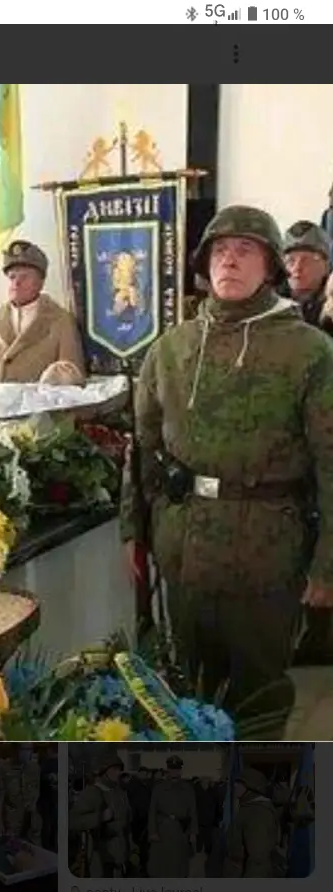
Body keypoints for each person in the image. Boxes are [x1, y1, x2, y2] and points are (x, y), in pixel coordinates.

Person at [120, 204, 333, 739]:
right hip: (184, 549)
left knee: (257, 699)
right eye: (219, 251)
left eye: (244, 250)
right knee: (190, 698)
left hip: (267, 553)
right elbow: (142, 449)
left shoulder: (310, 351)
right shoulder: (171, 349)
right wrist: (134, 532)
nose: (229, 261)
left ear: (271, 266)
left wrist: (328, 566)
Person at [0, 240, 85, 385]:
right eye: (12, 277)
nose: (16, 283)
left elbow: (72, 377)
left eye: (24, 277)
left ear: (40, 282)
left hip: (40, 398)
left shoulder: (60, 320)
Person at [69, 755, 131, 877]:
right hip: (100, 855)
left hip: (120, 854)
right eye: (114, 769)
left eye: (119, 769)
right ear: (104, 772)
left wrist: (131, 849)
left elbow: (127, 824)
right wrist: (100, 817)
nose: (118, 773)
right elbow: (72, 821)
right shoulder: (92, 792)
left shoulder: (121, 794)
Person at [223, 766, 281, 877]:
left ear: (252, 788)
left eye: (240, 783)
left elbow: (258, 859)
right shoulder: (249, 807)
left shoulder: (257, 813)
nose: (235, 785)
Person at [148, 755, 198, 878]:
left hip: (181, 830)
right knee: (162, 865)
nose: (174, 771)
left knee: (179, 864)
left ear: (180, 770)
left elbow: (193, 811)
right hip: (163, 830)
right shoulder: (159, 788)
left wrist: (193, 832)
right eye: (171, 768)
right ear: (168, 770)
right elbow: (152, 811)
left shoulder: (188, 788)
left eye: (176, 769)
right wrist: (152, 831)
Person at [283, 221, 331, 328]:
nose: (297, 268)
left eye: (307, 260)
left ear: (326, 266)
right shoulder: (269, 303)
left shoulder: (330, 306)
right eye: (290, 261)